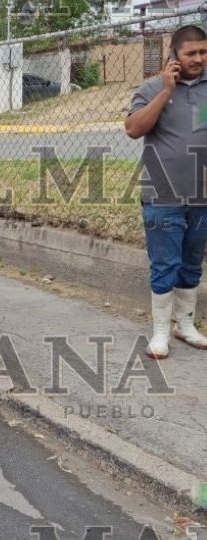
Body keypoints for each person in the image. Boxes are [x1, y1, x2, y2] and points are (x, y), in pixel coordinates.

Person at [125, 24, 207, 359]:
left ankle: (185, 325)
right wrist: (166, 90)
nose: (199, 59)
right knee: (164, 265)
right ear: (173, 54)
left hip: (202, 197)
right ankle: (160, 332)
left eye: (204, 52)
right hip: (162, 196)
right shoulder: (151, 88)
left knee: (192, 263)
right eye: (191, 53)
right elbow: (134, 129)